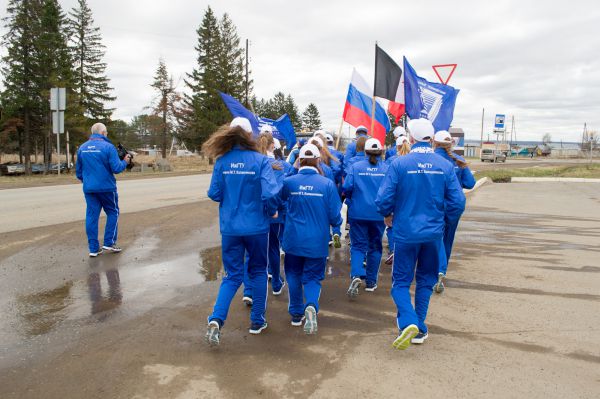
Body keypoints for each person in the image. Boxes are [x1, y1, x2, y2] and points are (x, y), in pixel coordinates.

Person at [376, 118, 465, 350]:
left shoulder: (399, 164)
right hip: (433, 234)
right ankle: (419, 327)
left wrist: (387, 214)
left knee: (401, 282)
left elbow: (383, 199)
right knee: (426, 280)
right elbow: (458, 202)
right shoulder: (444, 165)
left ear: (411, 138)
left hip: (405, 234)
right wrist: (443, 221)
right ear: (431, 138)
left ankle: (408, 321)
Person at [204, 117, 280, 346]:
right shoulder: (260, 161)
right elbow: (270, 193)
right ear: (250, 135)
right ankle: (257, 321)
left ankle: (216, 320)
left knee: (232, 275)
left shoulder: (222, 161)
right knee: (258, 272)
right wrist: (272, 210)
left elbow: (214, 193)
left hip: (230, 228)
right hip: (256, 227)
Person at [280, 143, 343, 334]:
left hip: (293, 239)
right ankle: (311, 306)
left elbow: (279, 201)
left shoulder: (289, 182)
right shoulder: (327, 184)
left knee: (293, 274)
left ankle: (296, 313)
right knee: (313, 277)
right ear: (318, 161)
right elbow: (335, 216)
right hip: (317, 240)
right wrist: (337, 226)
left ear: (299, 160)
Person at [76, 123, 132, 257]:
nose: (106, 135)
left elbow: (79, 172)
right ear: (103, 133)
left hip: (89, 188)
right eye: (106, 133)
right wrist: (125, 161)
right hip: (107, 188)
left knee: (91, 216)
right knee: (113, 212)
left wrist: (89, 181)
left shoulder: (82, 148)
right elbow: (116, 168)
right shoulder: (108, 147)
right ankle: (109, 242)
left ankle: (93, 248)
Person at [343, 138, 388, 297]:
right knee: (375, 247)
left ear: (365, 151)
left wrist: (350, 200)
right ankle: (370, 282)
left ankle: (356, 274)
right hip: (378, 214)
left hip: (358, 212)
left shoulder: (356, 167)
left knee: (358, 246)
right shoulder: (386, 168)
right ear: (381, 152)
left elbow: (347, 187)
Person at [432, 130, 476, 293]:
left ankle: (438, 270)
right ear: (451, 144)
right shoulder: (459, 161)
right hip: (455, 205)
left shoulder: (432, 160)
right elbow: (470, 183)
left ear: (434, 143)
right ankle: (442, 270)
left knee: (435, 236)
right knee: (447, 238)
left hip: (437, 204)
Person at [383, 135, 411, 265]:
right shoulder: (412, 160)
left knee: (392, 226)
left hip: (396, 198)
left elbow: (387, 182)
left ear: (397, 147)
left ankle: (394, 249)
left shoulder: (392, 161)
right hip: (410, 198)